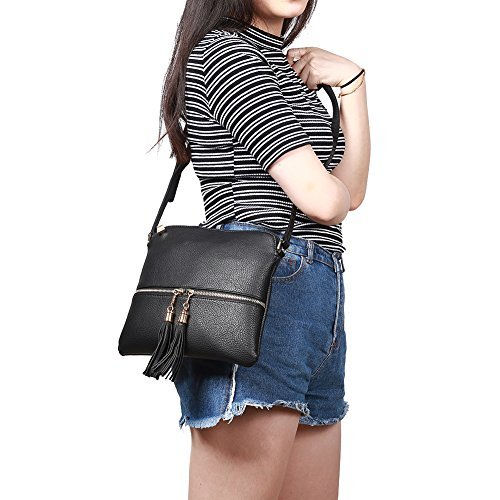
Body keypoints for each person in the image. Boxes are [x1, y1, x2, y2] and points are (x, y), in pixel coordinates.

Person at [152, 1, 370, 498]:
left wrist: (354, 88)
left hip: (315, 298)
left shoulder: (287, 68)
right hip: (256, 294)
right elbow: (322, 198)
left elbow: (350, 193)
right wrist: (329, 194)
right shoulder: (226, 53)